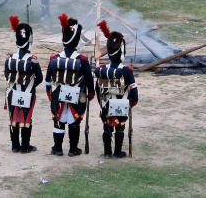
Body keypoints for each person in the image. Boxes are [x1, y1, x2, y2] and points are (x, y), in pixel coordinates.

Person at [45, 14, 95, 157]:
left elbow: (48, 80)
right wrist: (90, 94)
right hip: (77, 95)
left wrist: (50, 94)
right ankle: (73, 150)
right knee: (74, 120)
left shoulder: (55, 58)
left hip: (58, 95)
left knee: (59, 120)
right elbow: (89, 80)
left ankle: (58, 148)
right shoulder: (83, 60)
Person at [94, 21, 138, 158]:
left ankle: (107, 152)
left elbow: (98, 90)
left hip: (106, 105)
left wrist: (102, 103)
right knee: (120, 128)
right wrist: (132, 103)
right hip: (122, 105)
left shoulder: (101, 70)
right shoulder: (127, 71)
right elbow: (134, 94)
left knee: (107, 127)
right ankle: (117, 153)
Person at [4, 16, 43, 153]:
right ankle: (25, 147)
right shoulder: (33, 61)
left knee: (13, 117)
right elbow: (39, 78)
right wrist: (29, 86)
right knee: (26, 118)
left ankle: (15, 146)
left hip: (12, 92)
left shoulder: (9, 58)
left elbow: (6, 75)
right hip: (28, 92)